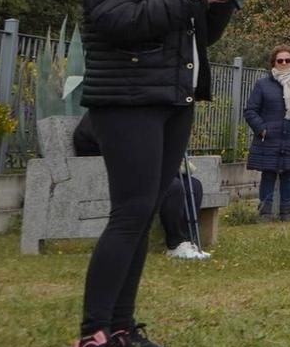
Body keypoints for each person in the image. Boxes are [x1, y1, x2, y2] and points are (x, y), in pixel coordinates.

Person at [65, 0, 237, 347]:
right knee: (130, 213)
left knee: (143, 215)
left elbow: (196, 35)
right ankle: (88, 344)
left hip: (171, 97)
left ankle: (120, 328)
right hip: (127, 100)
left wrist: (217, 1)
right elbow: (116, 21)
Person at [70, 112, 210, 261]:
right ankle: (175, 243)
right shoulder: (98, 120)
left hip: (137, 169)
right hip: (107, 176)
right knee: (172, 187)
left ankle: (188, 242)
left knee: (193, 185)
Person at [244, 44, 290, 221]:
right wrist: (262, 129)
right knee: (268, 174)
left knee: (288, 175)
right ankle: (265, 212)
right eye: (279, 60)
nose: (283, 63)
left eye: (287, 60)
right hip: (269, 137)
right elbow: (251, 110)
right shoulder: (263, 84)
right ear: (273, 62)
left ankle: (286, 212)